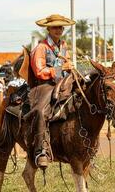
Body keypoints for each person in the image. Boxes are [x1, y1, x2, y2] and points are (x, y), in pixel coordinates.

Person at [28, 14, 76, 169]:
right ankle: (41, 150)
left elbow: (67, 62)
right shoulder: (41, 48)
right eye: (55, 27)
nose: (58, 29)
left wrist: (70, 67)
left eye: (61, 27)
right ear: (48, 29)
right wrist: (60, 68)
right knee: (42, 112)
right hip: (44, 87)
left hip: (62, 84)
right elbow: (39, 71)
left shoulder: (63, 45)